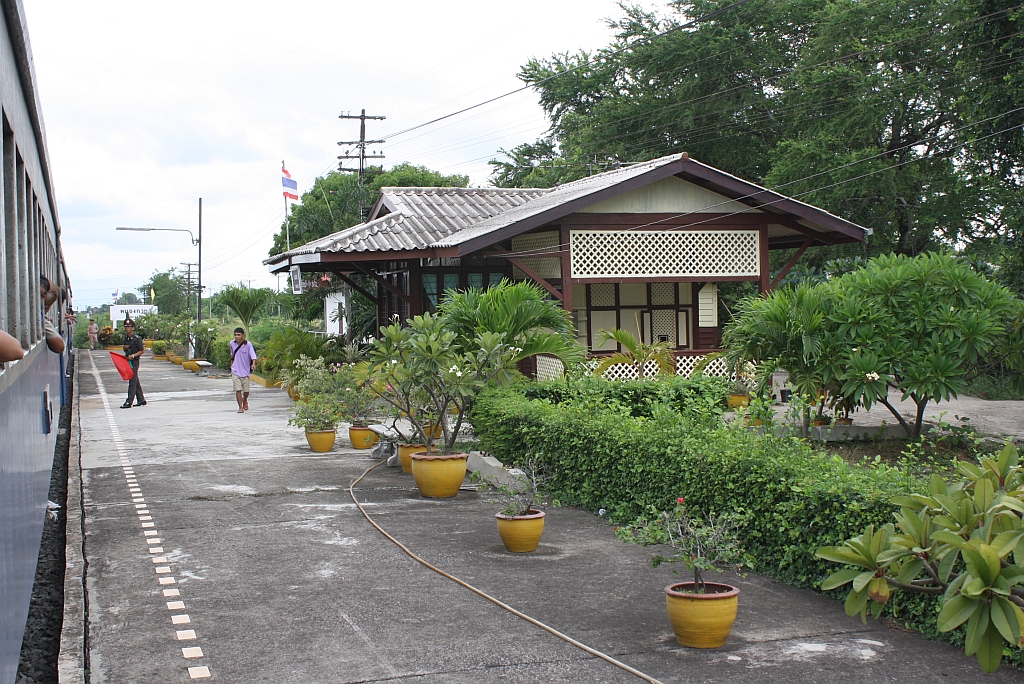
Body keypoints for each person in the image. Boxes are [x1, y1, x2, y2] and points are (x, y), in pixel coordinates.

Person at [228, 327, 256, 414]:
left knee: (246, 391)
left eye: (239, 335)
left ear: (243, 335)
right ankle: (240, 407)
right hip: (235, 370)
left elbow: (253, 356)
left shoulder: (248, 344)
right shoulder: (232, 343)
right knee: (238, 390)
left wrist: (253, 364)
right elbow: (232, 355)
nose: (237, 337)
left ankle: (245, 400)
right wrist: (232, 363)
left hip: (245, 371)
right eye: (235, 335)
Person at [121, 318, 146, 408]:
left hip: (134, 361)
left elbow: (142, 350)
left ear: (133, 328)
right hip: (128, 361)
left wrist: (133, 356)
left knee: (132, 380)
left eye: (129, 326)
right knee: (135, 380)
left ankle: (129, 401)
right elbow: (125, 348)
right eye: (126, 326)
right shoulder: (126, 338)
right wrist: (125, 348)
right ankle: (141, 399)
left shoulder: (137, 338)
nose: (127, 328)